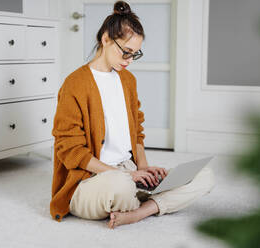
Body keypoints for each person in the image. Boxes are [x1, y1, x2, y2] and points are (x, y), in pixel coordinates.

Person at [50, 0, 215, 229]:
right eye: (126, 52)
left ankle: (139, 212)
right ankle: (148, 202)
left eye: (135, 54)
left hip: (128, 170)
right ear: (106, 39)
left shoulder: (128, 81)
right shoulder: (74, 84)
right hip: (91, 181)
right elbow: (71, 151)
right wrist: (126, 177)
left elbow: (136, 130)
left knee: (204, 176)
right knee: (121, 186)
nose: (129, 61)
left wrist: (142, 169)